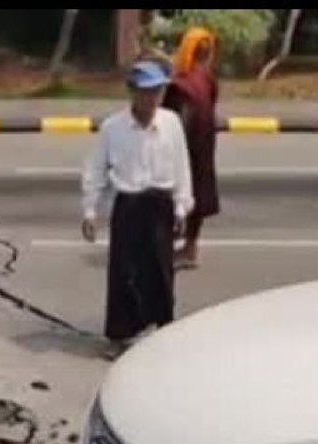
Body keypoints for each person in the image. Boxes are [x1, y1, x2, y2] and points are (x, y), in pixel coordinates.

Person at [82, 61, 194, 350]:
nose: (151, 98)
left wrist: (182, 205)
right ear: (132, 92)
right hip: (129, 204)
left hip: (160, 204)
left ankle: (162, 331)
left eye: (156, 91)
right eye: (145, 92)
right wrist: (90, 210)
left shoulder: (170, 123)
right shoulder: (113, 128)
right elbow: (96, 170)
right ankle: (121, 334)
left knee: (160, 271)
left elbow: (182, 166)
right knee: (125, 271)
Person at [163, 26, 220, 270]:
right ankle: (190, 247)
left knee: (173, 192)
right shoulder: (207, 79)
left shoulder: (179, 85)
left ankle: (170, 245)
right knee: (198, 192)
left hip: (184, 144)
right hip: (205, 144)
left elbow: (171, 117)